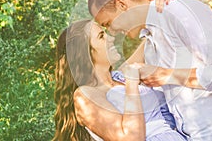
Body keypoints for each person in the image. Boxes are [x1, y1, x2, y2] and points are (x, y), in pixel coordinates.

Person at [88, 0, 212, 141]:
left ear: (122, 4)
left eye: (108, 23)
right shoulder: (149, 44)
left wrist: (166, 74)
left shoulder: (182, 12)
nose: (111, 32)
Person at [53, 19, 186, 141]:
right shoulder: (85, 96)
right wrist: (132, 84)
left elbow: (150, 40)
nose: (110, 38)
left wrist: (157, 6)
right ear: (85, 54)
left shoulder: (120, 77)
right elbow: (130, 138)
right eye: (101, 36)